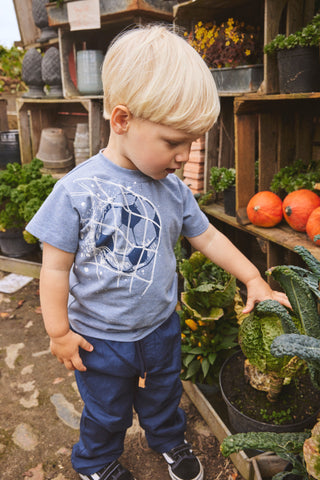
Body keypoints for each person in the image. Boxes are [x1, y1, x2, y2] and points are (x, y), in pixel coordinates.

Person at [26, 24, 290, 480]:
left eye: (192, 142)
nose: (185, 156)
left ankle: (169, 440)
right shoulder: (76, 191)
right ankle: (96, 460)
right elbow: (54, 268)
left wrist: (253, 278)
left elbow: (207, 238)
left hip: (159, 331)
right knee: (106, 412)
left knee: (164, 397)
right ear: (123, 120)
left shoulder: (172, 189)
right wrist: (58, 333)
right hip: (99, 339)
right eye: (173, 142)